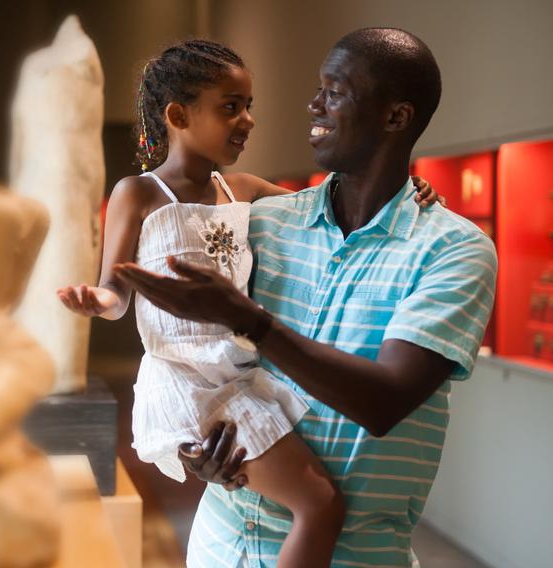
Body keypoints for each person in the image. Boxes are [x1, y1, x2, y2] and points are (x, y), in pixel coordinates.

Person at [116, 28, 497, 567]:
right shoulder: (265, 221)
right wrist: (194, 448)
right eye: (319, 87)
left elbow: (384, 401)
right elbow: (193, 352)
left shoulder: (454, 250)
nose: (313, 103)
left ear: (395, 117)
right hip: (220, 546)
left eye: (335, 90)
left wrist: (251, 320)